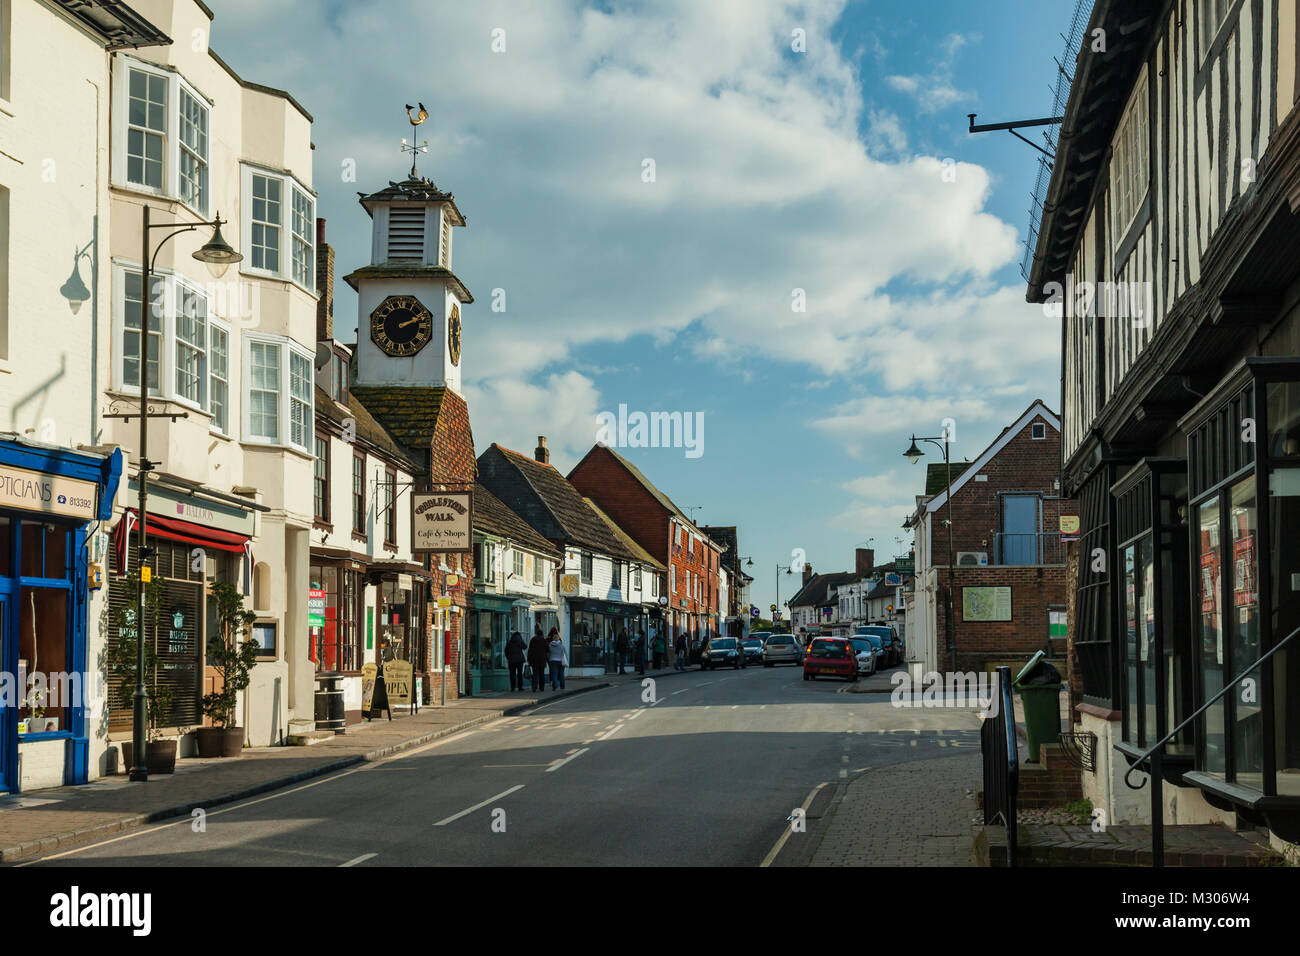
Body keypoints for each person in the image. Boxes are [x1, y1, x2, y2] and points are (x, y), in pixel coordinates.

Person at [528, 628, 549, 692]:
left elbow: (530, 650)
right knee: (541, 674)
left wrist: (529, 659)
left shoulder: (532, 640)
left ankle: (534, 687)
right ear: (542, 634)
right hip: (542, 660)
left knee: (535, 674)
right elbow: (548, 649)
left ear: (536, 634)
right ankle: (541, 688)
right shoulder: (544, 640)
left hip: (534, 660)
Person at [547, 626, 567, 690]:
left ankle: (555, 686)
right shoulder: (561, 645)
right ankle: (562, 686)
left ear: (553, 639)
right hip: (561, 661)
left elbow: (548, 653)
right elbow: (565, 654)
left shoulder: (550, 645)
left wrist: (549, 659)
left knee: (554, 674)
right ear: (558, 638)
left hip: (553, 661)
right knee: (561, 674)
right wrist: (567, 661)